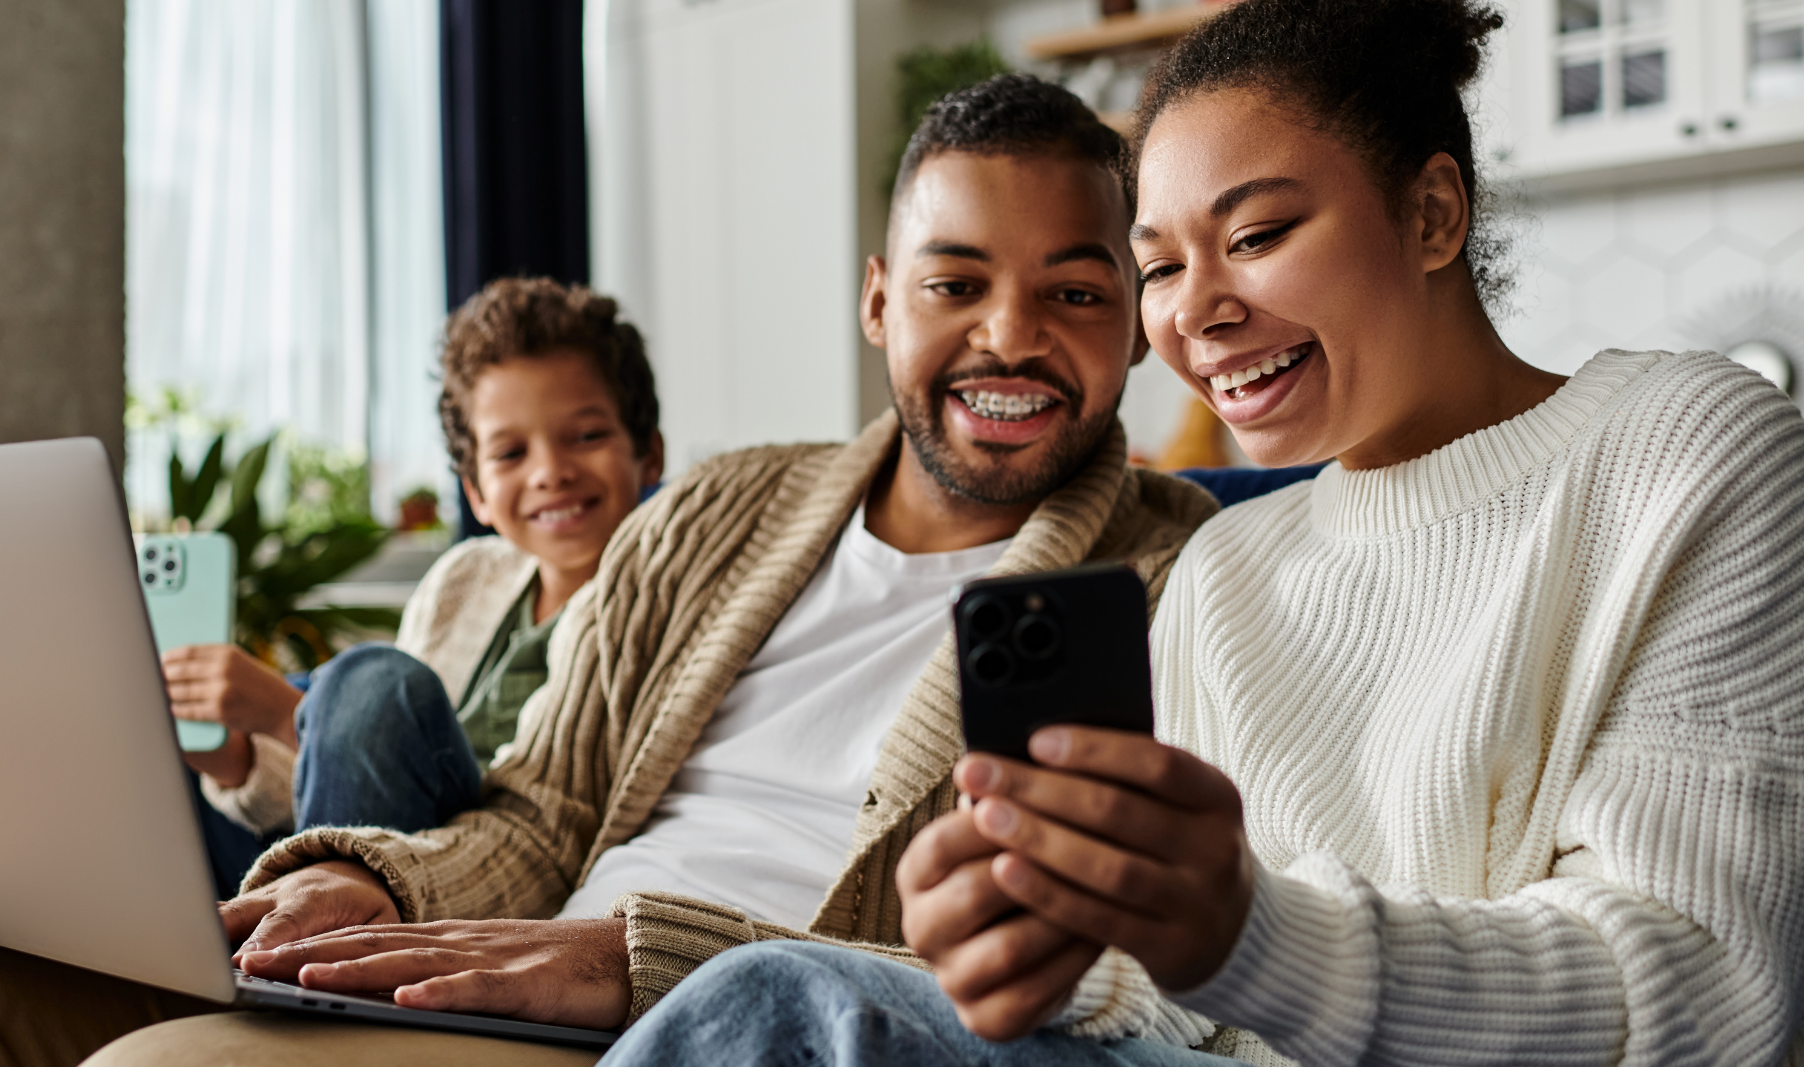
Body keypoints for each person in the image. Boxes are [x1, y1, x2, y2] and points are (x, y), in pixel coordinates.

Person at [0, 73, 1219, 1067]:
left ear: (1141, 321)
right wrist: (380, 885)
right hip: (492, 962)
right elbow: (542, 802)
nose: (1010, 335)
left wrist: (633, 955)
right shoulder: (723, 506)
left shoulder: (1177, 583)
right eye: (954, 282)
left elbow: (1097, 986)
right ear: (876, 300)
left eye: (1075, 292)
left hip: (663, 1023)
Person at [601, 1, 1804, 1065]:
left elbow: (1700, 988)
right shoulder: (1232, 568)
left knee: (780, 1006)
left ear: (1431, 211)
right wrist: (1045, 949)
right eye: (1159, 266)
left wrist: (1248, 933)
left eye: (1255, 236)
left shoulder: (1686, 450)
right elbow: (1189, 1004)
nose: (1199, 313)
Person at [171, 277, 665, 893]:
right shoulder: (465, 578)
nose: (551, 472)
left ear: (649, 455)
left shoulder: (655, 603)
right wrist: (235, 758)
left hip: (486, 878)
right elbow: (364, 789)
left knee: (373, 683)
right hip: (379, 853)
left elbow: (541, 821)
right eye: (511, 454)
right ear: (477, 492)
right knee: (163, 747)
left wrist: (286, 714)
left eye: (586, 437)